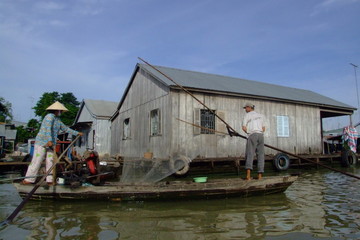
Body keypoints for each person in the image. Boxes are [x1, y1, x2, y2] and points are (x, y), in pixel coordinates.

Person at [22, 101, 82, 185]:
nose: (61, 112)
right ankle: (29, 179)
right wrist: (49, 140)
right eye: (60, 111)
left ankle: (49, 180)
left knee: (50, 161)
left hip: (51, 144)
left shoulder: (58, 120)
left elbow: (65, 129)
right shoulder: (49, 117)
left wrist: (77, 133)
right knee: (37, 160)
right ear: (57, 110)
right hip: (42, 142)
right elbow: (47, 129)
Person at [242, 102, 266, 180]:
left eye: (245, 108)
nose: (245, 109)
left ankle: (248, 176)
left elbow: (244, 127)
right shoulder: (260, 115)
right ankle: (259, 176)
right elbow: (263, 128)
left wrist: (249, 133)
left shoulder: (247, 115)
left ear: (249, 107)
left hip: (252, 135)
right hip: (261, 136)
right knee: (261, 155)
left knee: (250, 154)